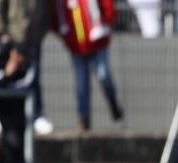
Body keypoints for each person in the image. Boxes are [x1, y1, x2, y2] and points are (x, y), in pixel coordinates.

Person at [52, 0, 124, 132]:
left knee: (103, 74)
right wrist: (65, 38)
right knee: (81, 84)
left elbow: (107, 6)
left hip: (98, 41)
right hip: (77, 46)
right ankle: (84, 119)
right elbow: (55, 19)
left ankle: (112, 101)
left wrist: (107, 24)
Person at [0, 0, 52, 135]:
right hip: (11, 40)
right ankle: (2, 117)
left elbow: (46, 11)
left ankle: (35, 114)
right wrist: (2, 33)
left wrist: (41, 33)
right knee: (6, 79)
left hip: (32, 40)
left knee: (33, 80)